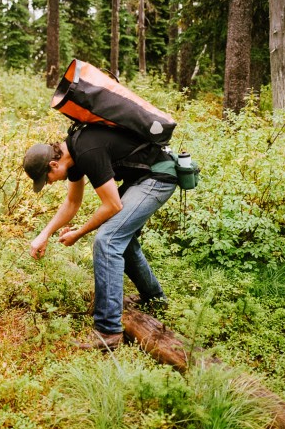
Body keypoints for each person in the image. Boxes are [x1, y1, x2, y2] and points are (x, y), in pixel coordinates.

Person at [23, 124, 177, 350]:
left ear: (53, 164)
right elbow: (72, 202)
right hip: (141, 178)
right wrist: (44, 234)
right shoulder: (73, 154)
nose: (49, 183)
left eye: (46, 178)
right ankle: (154, 299)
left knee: (108, 240)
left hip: (158, 177)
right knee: (123, 239)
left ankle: (108, 332)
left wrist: (79, 233)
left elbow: (112, 205)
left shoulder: (86, 151)